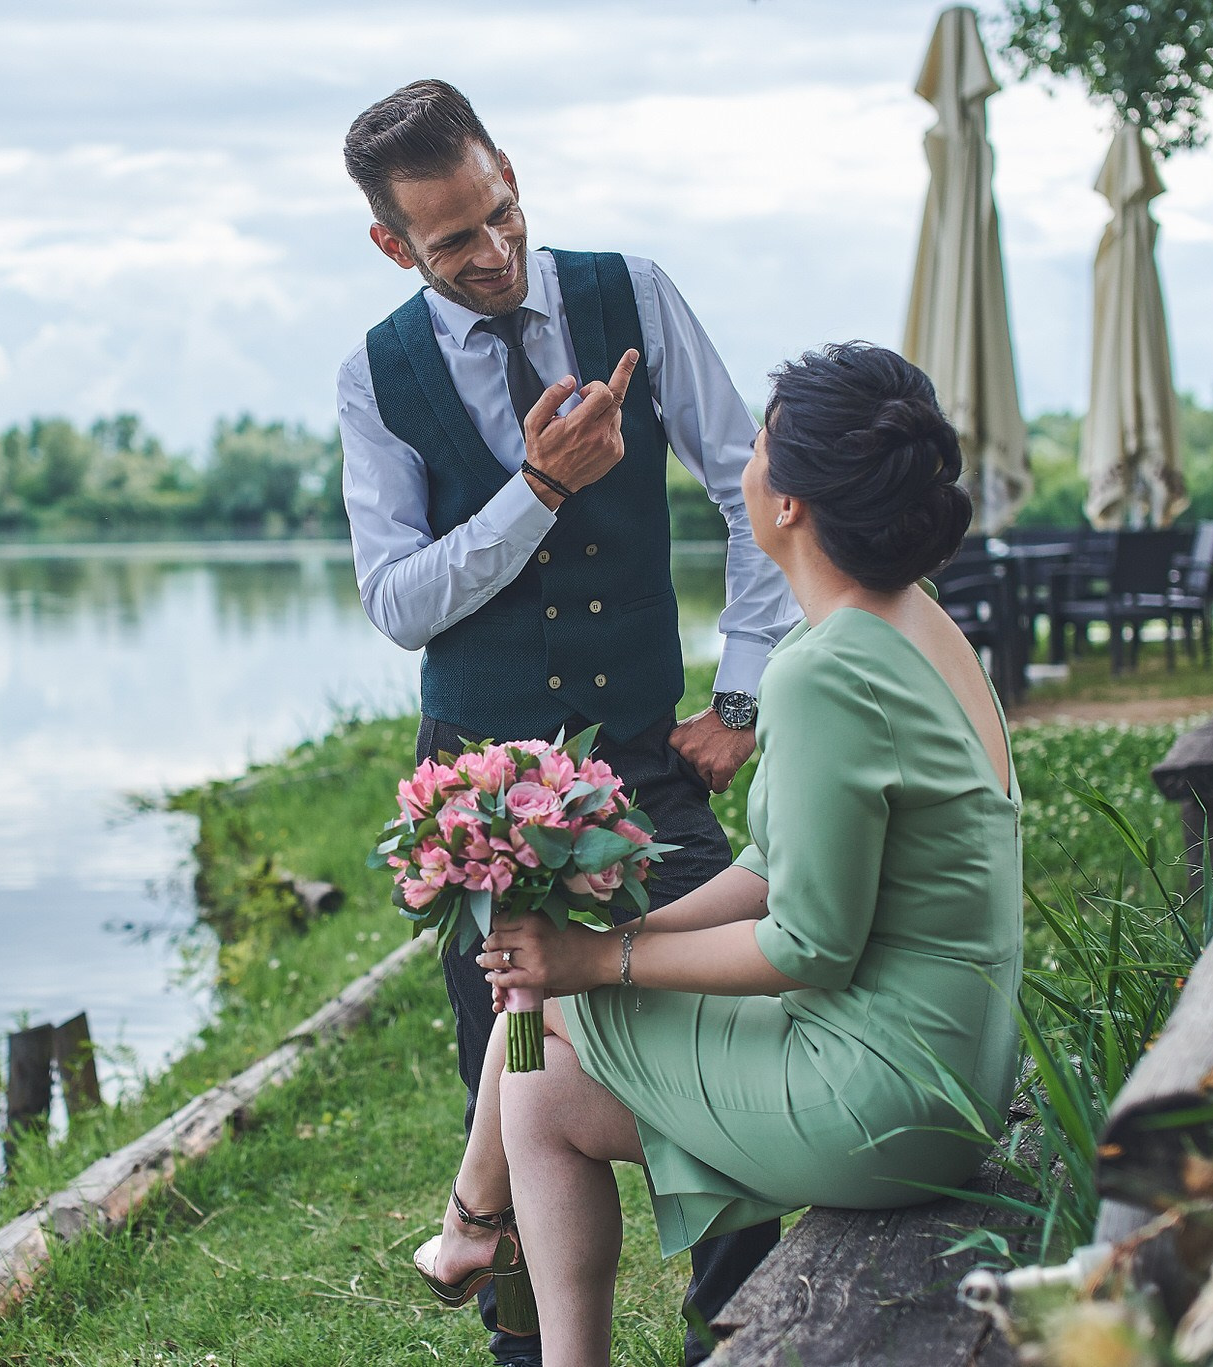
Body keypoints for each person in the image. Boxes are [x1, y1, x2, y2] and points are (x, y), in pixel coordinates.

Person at [413, 343, 1025, 1366]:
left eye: (763, 440)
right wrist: (630, 929)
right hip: (946, 1066)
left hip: (886, 1096)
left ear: (788, 504)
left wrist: (596, 962)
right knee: (539, 1082)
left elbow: (807, 943)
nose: (743, 454)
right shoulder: (914, 621)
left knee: (546, 1004)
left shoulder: (820, 671)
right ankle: (479, 1228)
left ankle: (475, 1221)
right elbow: (779, 861)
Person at [336, 80, 798, 1366]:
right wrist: (538, 488)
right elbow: (396, 598)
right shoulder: (374, 376)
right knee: (515, 1072)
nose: (491, 255)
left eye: (500, 213)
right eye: (449, 242)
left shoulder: (629, 292)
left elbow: (747, 485)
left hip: (647, 766)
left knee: (724, 1036)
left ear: (508, 172)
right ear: (391, 245)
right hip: (478, 804)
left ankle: (743, 1331)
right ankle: (528, 1347)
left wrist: (742, 693)